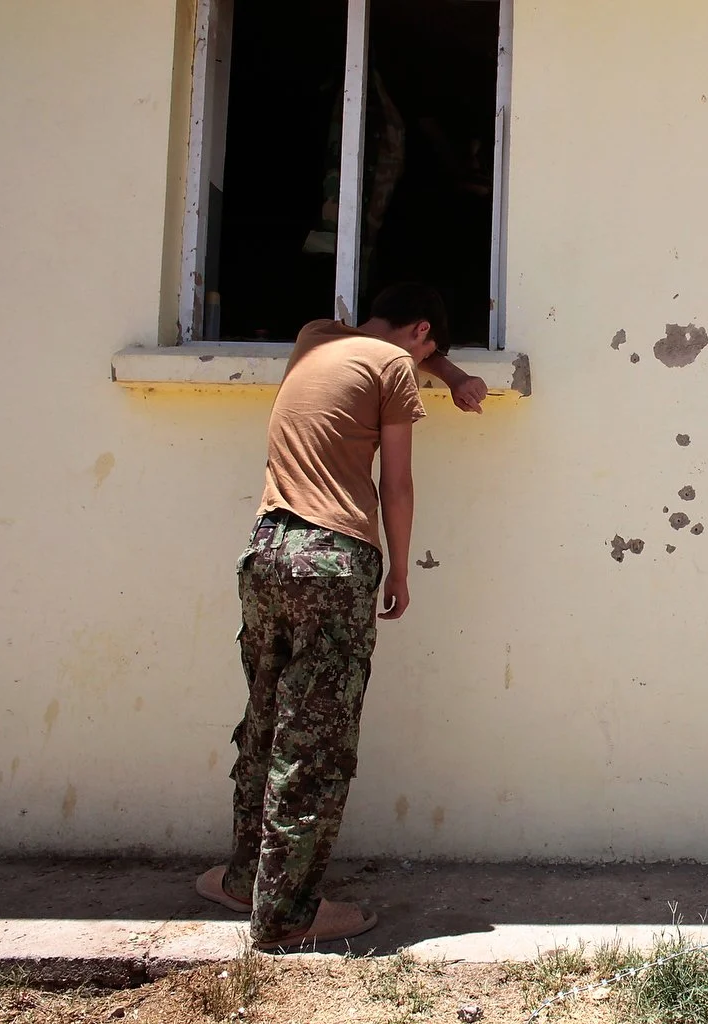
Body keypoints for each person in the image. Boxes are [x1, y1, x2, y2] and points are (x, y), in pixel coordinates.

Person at [195, 283, 488, 948]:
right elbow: (397, 483)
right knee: (316, 748)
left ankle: (245, 881)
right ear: (419, 334)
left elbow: (392, 345)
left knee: (267, 722)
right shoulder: (393, 371)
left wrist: (444, 365)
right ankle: (287, 916)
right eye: (428, 350)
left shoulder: (315, 341)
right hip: (333, 560)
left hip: (267, 551)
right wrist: (403, 569)